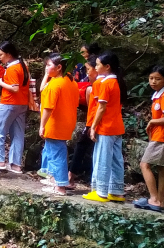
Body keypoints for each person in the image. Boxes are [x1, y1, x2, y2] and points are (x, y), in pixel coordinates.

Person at [83, 51, 127, 203]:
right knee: (116, 159)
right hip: (116, 126)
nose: (95, 67)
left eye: (97, 65)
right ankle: (116, 191)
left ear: (107, 67)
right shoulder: (116, 82)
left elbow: (101, 107)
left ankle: (101, 191)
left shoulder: (106, 84)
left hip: (106, 127)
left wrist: (93, 126)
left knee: (102, 158)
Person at [134, 65, 164, 212]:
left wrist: (152, 122)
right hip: (158, 136)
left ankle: (154, 198)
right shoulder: (158, 96)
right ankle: (160, 201)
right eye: (151, 78)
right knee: (161, 168)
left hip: (162, 136)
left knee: (144, 165)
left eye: (157, 79)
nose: (153, 81)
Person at [38, 53, 79, 195]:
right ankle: (56, 181)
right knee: (56, 152)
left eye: (49, 65)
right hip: (67, 121)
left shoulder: (55, 84)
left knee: (56, 154)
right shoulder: (71, 81)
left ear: (59, 67)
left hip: (55, 123)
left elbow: (48, 108)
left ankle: (60, 186)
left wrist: (42, 125)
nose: (46, 68)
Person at [0, 42, 30, 174]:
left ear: (9, 54)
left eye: (1, 54)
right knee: (18, 134)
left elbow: (14, 88)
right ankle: (15, 164)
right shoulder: (23, 65)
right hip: (22, 103)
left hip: (9, 103)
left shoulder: (13, 68)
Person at [69, 56, 98, 183]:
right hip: (92, 121)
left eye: (88, 69)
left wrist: (91, 125)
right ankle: (72, 174)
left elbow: (94, 109)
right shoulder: (92, 87)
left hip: (94, 122)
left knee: (82, 146)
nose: (86, 73)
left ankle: (71, 176)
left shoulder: (95, 87)